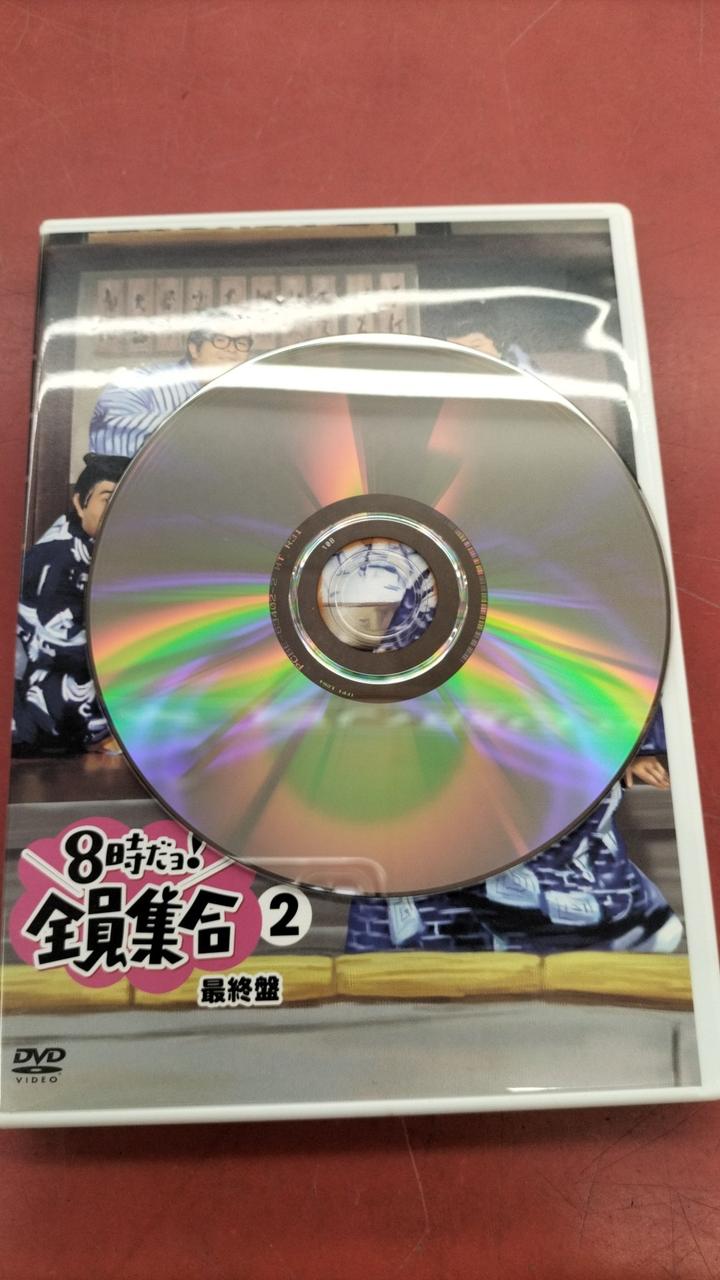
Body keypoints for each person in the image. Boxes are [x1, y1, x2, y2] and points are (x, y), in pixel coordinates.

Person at [13, 454, 130, 755]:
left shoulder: (111, 548)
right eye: (108, 499)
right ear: (80, 503)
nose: (119, 511)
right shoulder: (57, 556)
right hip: (48, 682)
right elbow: (55, 639)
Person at [89, 310, 254, 457]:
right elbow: (113, 428)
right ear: (194, 349)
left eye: (241, 343)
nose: (232, 349)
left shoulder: (248, 396)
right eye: (220, 340)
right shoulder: (142, 381)